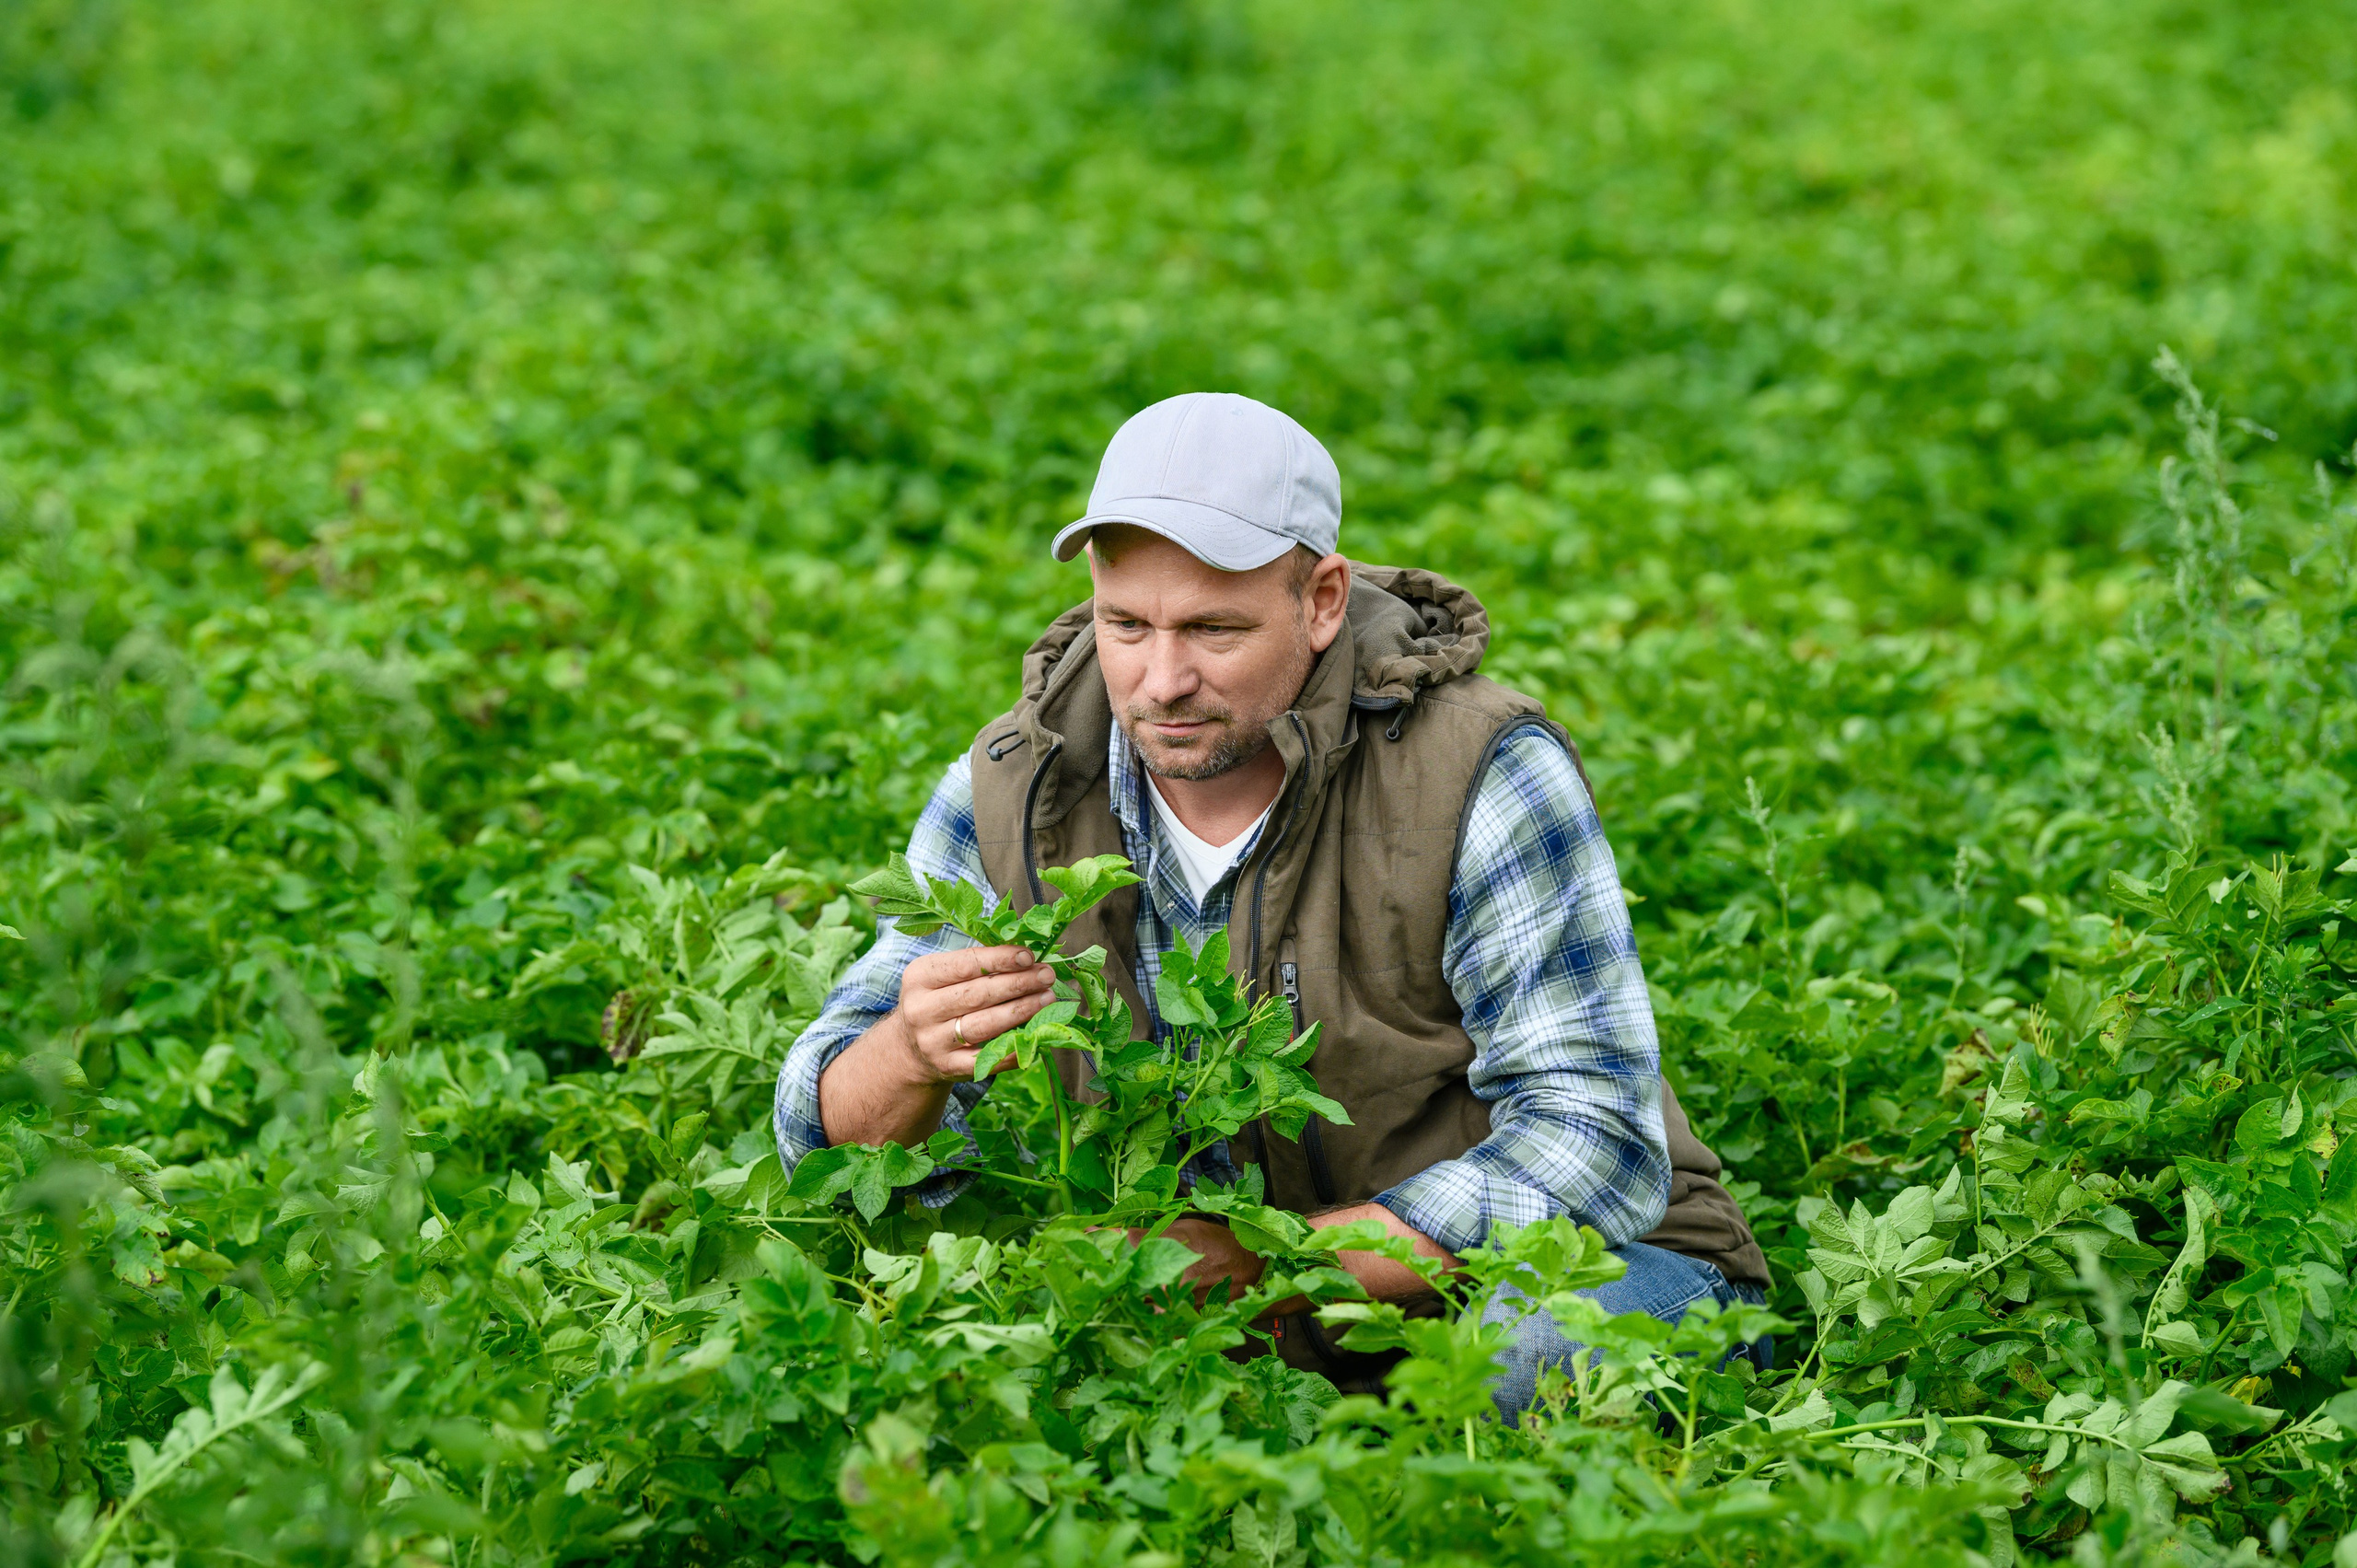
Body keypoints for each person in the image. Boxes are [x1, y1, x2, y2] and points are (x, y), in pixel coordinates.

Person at [772, 392, 1767, 1415]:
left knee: (1526, 1363)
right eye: (1126, 625)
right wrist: (906, 1049)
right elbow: (823, 1138)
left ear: (1323, 598)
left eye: (1214, 628)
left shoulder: (1477, 770)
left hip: (1549, 1271)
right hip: (1205, 1315)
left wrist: (1268, 1263)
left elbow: (1592, 1137)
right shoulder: (1019, 789)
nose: (1162, 679)